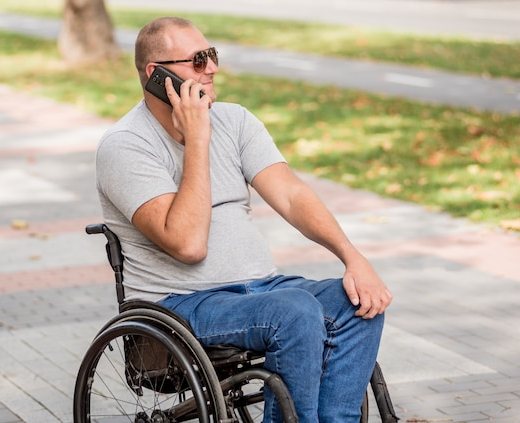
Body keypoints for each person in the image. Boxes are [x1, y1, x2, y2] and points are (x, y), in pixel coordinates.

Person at [95, 16, 393, 423]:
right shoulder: (125, 146)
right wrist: (197, 140)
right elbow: (187, 244)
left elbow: (290, 194)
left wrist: (353, 258)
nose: (212, 67)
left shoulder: (235, 121)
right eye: (197, 61)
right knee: (295, 312)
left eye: (212, 55)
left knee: (359, 302)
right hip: (183, 304)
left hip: (264, 290)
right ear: (156, 75)